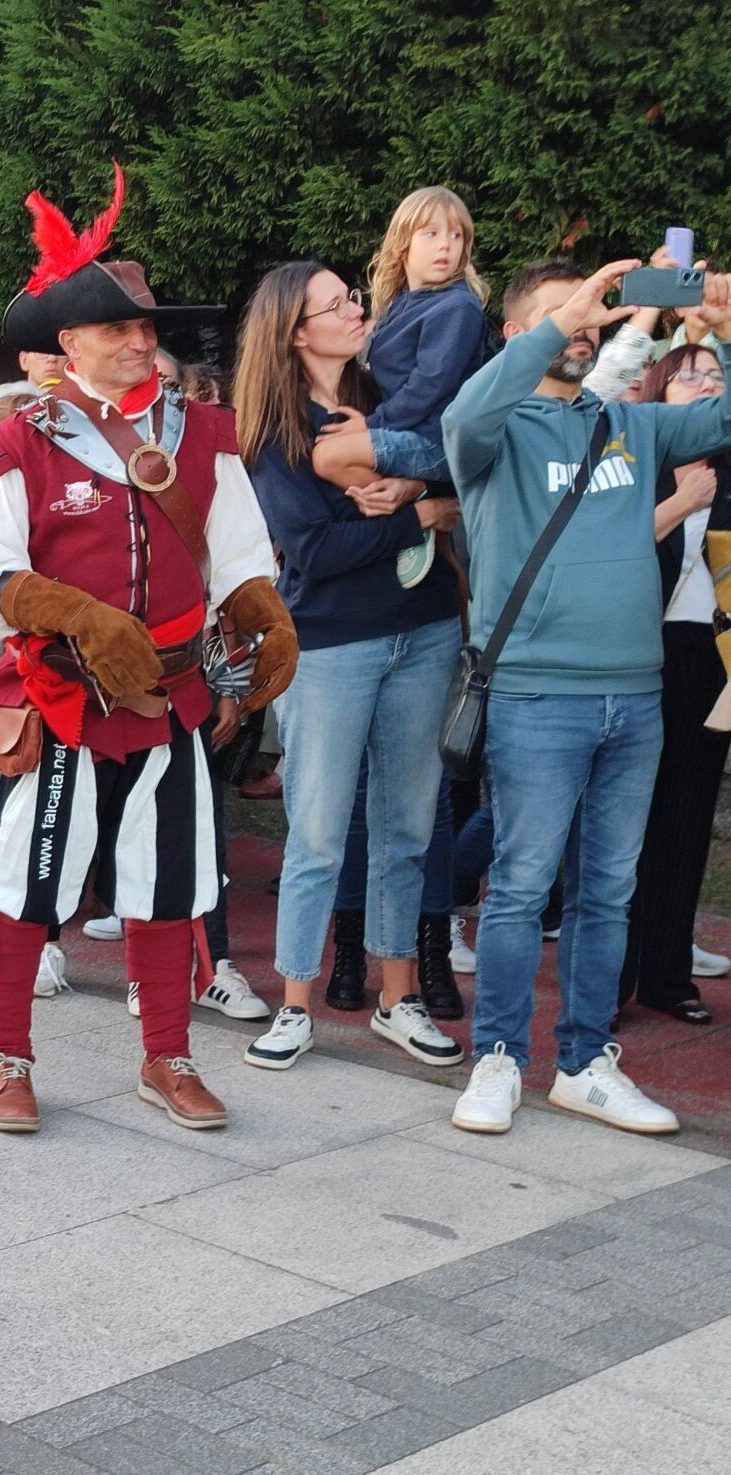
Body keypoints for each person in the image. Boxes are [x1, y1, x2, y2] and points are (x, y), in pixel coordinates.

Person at [0, 172, 296, 1134]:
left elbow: (237, 553)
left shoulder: (204, 432)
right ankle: (9, 1060)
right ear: (67, 342)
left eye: (145, 327)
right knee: (25, 886)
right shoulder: (21, 442)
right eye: (115, 328)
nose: (139, 341)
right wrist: (78, 616)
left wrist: (264, 610)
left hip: (173, 702)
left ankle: (167, 1058)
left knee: (169, 882)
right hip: (55, 699)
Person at [447, 258, 731, 1137]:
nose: (580, 327)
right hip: (537, 698)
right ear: (517, 332)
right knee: (522, 887)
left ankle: (580, 1063)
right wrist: (561, 313)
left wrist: (718, 322)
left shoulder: (631, 425)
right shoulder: (492, 435)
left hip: (634, 698)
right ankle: (497, 1058)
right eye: (560, 316)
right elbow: (463, 413)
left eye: (589, 317)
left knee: (608, 890)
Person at [231, 261, 468, 1073]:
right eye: (337, 305)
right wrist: (417, 518)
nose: (358, 311)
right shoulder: (272, 428)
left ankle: (398, 999)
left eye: (353, 298)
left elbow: (458, 478)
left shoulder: (397, 396)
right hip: (332, 642)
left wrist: (428, 498)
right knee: (320, 833)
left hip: (427, 629)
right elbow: (313, 551)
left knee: (408, 825)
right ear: (297, 331)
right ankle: (295, 1004)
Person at [616, 343, 731, 1026]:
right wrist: (682, 501)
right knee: (621, 826)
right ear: (660, 387)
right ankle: (609, 981)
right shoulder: (634, 457)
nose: (704, 386)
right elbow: (602, 543)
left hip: (707, 655)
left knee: (687, 820)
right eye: (689, 376)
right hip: (632, 651)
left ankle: (667, 974)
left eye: (715, 377)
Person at [311, 188, 491, 593]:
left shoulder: (457, 307)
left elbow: (429, 386)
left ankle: (411, 519)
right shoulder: (400, 304)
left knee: (328, 456)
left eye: (456, 235)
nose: (445, 244)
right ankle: (416, 510)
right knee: (453, 572)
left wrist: (370, 427)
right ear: (402, 242)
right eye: (431, 233)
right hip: (407, 429)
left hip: (438, 440)